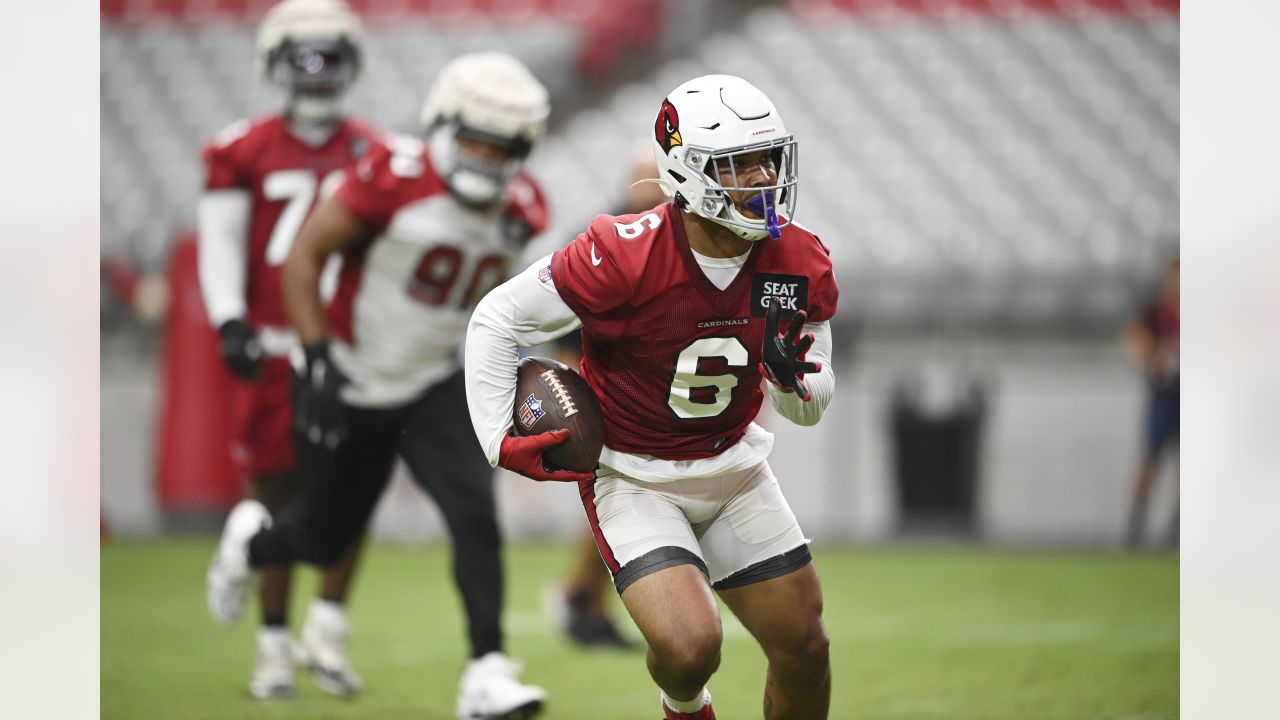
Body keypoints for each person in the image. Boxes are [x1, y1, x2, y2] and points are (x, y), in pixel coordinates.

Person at [465, 75, 838, 720]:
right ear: (688, 171)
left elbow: (808, 407)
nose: (760, 179)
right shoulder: (622, 253)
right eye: (736, 164)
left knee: (804, 647)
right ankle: (685, 706)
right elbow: (497, 318)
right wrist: (498, 440)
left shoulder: (797, 259)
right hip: (635, 477)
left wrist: (795, 380)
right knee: (691, 647)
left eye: (766, 159)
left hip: (736, 470)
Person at [205, 52, 551, 718]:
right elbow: (305, 256)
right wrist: (315, 355)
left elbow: (510, 298)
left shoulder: (524, 209)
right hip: (355, 376)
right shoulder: (391, 177)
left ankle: (487, 670)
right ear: (443, 126)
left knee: (475, 512)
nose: (485, 157)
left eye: (500, 145)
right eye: (475, 139)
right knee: (322, 538)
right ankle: (248, 544)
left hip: (434, 381)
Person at [196, 0, 377, 698]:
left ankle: (327, 631)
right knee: (279, 494)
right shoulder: (241, 148)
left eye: (327, 53)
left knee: (352, 494)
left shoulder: (374, 152)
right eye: (304, 54)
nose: (316, 69)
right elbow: (221, 241)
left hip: (350, 346)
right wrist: (229, 320)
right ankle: (274, 642)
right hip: (275, 345)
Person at [543, 149, 666, 651]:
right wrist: (578, 393)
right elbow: (561, 322)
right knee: (616, 505)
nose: (651, 189)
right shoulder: (599, 238)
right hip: (605, 385)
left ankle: (585, 601)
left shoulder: (676, 238)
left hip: (650, 393)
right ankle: (582, 601)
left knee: (622, 507)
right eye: (644, 179)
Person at [1124, 253, 1179, 547]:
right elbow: (1133, 342)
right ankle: (1136, 524)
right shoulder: (1156, 312)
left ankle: (1179, 528)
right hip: (1163, 397)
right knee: (1150, 459)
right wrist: (1152, 358)